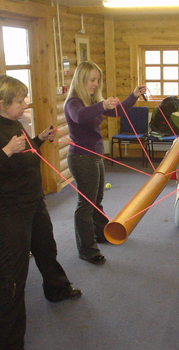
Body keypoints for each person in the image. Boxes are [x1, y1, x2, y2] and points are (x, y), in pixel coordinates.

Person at [0, 75, 82, 350]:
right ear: (2, 103)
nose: (25, 103)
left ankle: (57, 289)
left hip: (33, 201)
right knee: (13, 274)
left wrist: (38, 139)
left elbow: (25, 152)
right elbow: (9, 156)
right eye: (20, 100)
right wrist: (6, 152)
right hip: (10, 210)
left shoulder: (15, 124)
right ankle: (10, 341)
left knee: (46, 247)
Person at [64, 61, 146, 265]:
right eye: (92, 80)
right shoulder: (74, 102)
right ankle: (87, 250)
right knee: (86, 205)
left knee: (96, 200)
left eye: (97, 80)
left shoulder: (92, 100)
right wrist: (101, 105)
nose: (95, 84)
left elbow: (118, 111)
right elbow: (79, 116)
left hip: (94, 157)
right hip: (82, 159)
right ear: (81, 80)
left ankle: (100, 234)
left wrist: (133, 95)